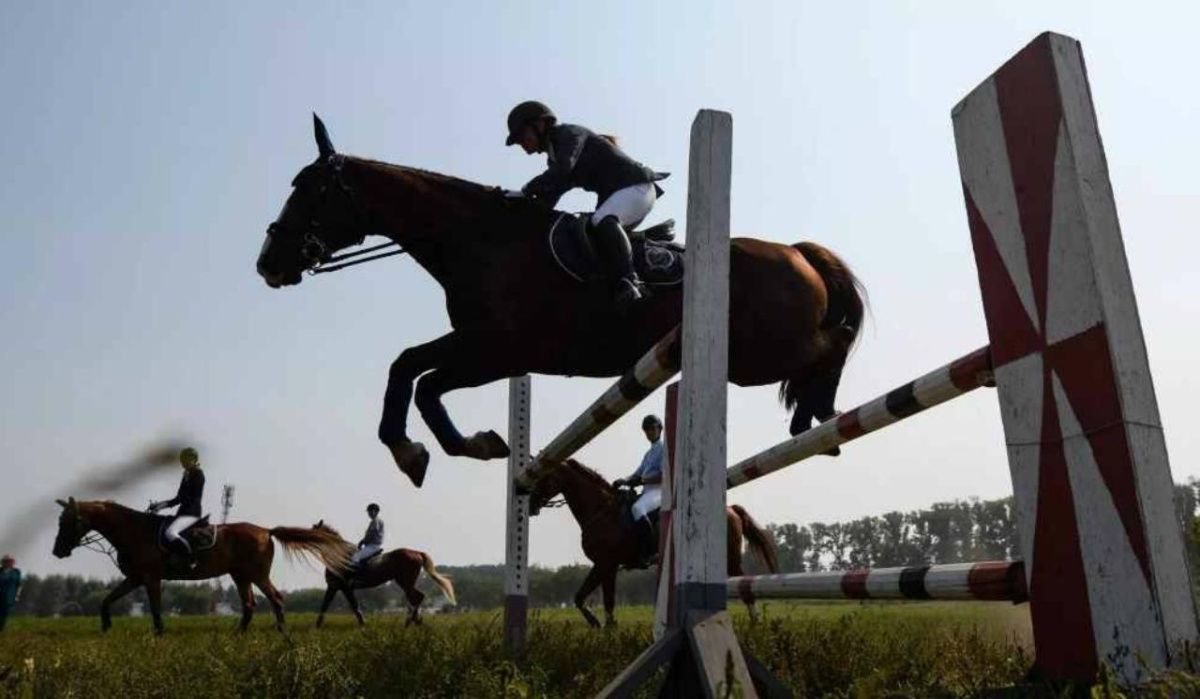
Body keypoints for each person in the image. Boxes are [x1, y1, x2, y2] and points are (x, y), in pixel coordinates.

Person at [505, 100, 668, 306]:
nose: (521, 143)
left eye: (521, 136)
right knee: (586, 230)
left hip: (637, 187)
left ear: (540, 125)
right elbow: (549, 200)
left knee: (601, 220)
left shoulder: (569, 134)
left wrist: (525, 190)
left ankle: (631, 281)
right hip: (620, 194)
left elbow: (563, 170)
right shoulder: (554, 157)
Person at [613, 415, 665, 567]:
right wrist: (623, 480)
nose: (649, 432)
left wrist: (642, 481)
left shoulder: (664, 448)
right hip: (647, 491)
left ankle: (650, 551)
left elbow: (664, 475)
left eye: (652, 428)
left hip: (659, 491)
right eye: (646, 430)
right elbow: (637, 474)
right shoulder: (648, 454)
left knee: (638, 508)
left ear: (659, 429)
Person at [149, 447, 206, 568]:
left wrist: (180, 500)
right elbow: (177, 499)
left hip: (192, 513)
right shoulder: (186, 475)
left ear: (194, 460)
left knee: (171, 533)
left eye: (186, 459)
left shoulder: (198, 475)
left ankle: (191, 559)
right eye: (182, 460)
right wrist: (159, 505)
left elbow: (194, 498)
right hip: (182, 513)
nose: (183, 462)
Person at [350, 503, 385, 572]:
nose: (369, 514)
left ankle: (357, 577)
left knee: (355, 557)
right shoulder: (376, 521)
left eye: (370, 511)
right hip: (372, 545)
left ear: (375, 511)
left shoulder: (375, 521)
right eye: (368, 512)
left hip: (372, 546)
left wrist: (363, 541)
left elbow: (371, 533)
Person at [0, 555, 21, 631]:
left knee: (5, 613)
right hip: (0, 594)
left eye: (10, 561)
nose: (8, 563)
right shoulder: (0, 571)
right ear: (3, 562)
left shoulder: (16, 572)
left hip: (10, 596)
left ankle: (1, 628)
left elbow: (19, 585)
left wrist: (17, 596)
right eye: (6, 561)